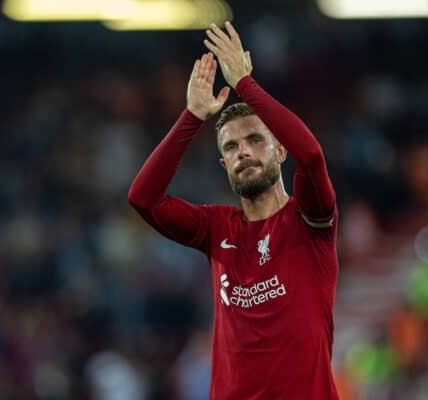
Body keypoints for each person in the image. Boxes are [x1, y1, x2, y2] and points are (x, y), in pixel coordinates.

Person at [128, 21, 339, 399]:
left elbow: (311, 155)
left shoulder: (309, 220)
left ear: (280, 149)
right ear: (224, 166)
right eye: (230, 147)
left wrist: (245, 84)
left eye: (256, 140)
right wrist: (192, 115)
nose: (242, 151)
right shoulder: (216, 228)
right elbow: (143, 198)